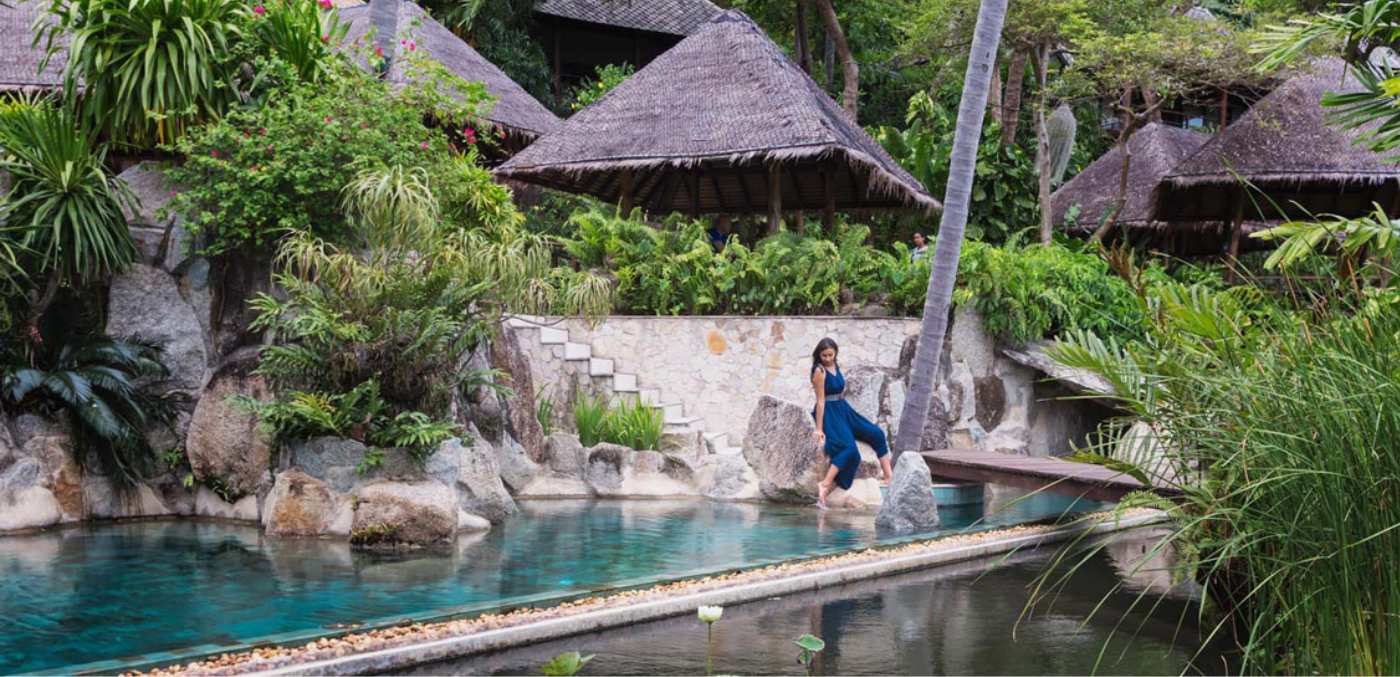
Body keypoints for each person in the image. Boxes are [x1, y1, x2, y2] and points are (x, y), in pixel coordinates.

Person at [810, 338, 893, 509]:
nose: (827, 358)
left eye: (831, 355)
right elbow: (820, 401)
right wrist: (819, 428)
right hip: (829, 413)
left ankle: (889, 476)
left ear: (835, 353)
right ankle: (825, 484)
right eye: (824, 355)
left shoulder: (835, 365)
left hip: (843, 409)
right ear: (819, 355)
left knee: (877, 433)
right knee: (849, 449)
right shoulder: (819, 371)